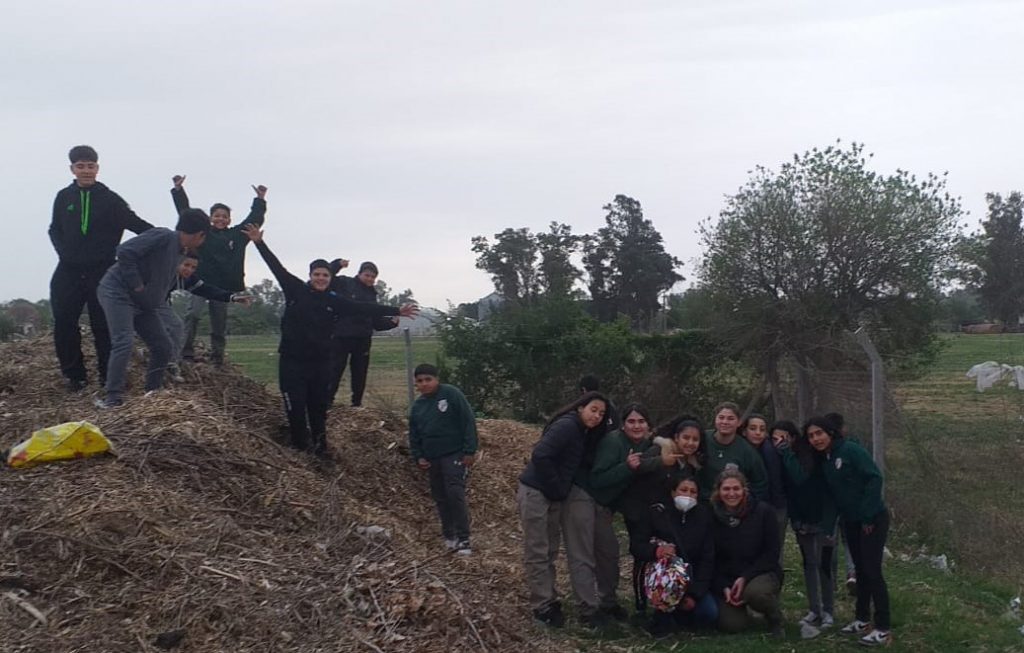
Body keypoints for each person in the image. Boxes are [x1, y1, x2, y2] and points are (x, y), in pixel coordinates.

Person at [242, 224, 416, 455]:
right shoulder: (295, 290)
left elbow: (364, 308)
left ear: (330, 278)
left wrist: (397, 310)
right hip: (293, 361)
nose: (321, 278)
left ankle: (321, 449)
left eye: (325, 275)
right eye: (317, 274)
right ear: (310, 275)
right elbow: (277, 268)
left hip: (320, 362)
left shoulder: (334, 300)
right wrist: (259, 242)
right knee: (296, 407)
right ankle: (301, 450)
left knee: (318, 408)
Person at [49, 145, 154, 391]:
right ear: (72, 169)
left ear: (98, 168)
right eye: (80, 166)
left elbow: (139, 226)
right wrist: (65, 253)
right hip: (68, 269)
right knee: (64, 322)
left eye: (90, 166)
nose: (86, 171)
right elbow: (54, 229)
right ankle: (75, 377)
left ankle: (109, 377)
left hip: (102, 271)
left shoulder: (111, 200)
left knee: (103, 325)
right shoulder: (64, 197)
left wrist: (167, 241)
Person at [95, 210, 210, 408]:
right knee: (124, 340)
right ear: (199, 234)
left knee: (163, 346)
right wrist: (136, 283)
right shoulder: (163, 236)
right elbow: (124, 251)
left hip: (144, 303)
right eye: (204, 236)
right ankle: (113, 397)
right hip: (117, 292)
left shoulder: (180, 252)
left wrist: (149, 297)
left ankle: (152, 393)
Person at [517, 391, 609, 629]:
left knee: (549, 549)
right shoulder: (567, 426)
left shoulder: (582, 432)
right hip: (536, 491)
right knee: (538, 550)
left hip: (551, 494)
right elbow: (540, 454)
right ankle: (542, 606)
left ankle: (549, 598)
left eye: (601, 413)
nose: (597, 416)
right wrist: (556, 486)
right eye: (593, 410)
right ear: (580, 408)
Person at [804, 416, 892, 647]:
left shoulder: (851, 450)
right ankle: (862, 619)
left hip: (872, 519)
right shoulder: (826, 459)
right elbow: (832, 497)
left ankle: (882, 628)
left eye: (819, 433)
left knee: (872, 571)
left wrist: (868, 514)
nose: (816, 439)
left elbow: (874, 478)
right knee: (861, 570)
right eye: (811, 436)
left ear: (830, 433)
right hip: (851, 522)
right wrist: (829, 526)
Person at [170, 175, 267, 366]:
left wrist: (260, 200)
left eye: (224, 216)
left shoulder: (237, 236)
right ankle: (186, 354)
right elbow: (186, 214)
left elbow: (254, 220)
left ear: (229, 219)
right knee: (192, 315)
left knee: (219, 323)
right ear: (210, 218)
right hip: (199, 283)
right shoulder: (203, 233)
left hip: (223, 286)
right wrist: (178, 191)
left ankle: (217, 358)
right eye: (217, 216)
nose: (220, 219)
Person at [589, 403, 667, 620]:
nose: (636, 425)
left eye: (641, 421)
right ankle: (604, 603)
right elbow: (598, 479)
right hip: (598, 501)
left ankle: (617, 601)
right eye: (631, 421)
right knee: (608, 552)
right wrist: (626, 467)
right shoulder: (613, 443)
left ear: (648, 426)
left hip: (622, 504)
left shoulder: (647, 444)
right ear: (623, 425)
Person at [629, 475, 717, 636]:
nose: (688, 495)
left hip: (692, 580)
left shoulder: (704, 517)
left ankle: (678, 613)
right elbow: (636, 546)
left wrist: (694, 595)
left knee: (708, 614)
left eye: (693, 492)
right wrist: (655, 551)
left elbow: (707, 559)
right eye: (683, 490)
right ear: (672, 492)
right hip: (661, 580)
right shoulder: (656, 513)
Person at [773, 419, 837, 633]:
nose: (779, 442)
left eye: (784, 438)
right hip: (801, 519)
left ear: (792, 437)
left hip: (821, 517)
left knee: (826, 563)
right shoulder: (779, 458)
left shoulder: (806, 455)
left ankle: (829, 610)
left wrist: (786, 454)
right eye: (775, 439)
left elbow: (801, 479)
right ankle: (814, 609)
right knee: (809, 563)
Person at [408, 364, 478, 555]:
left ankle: (464, 539)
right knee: (440, 496)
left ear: (436, 379)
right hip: (432, 457)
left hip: (454, 453)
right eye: (420, 381)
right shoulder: (418, 407)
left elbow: (467, 421)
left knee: (454, 492)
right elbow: (414, 434)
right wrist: (419, 455)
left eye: (428, 379)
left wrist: (469, 450)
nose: (424, 384)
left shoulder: (451, 394)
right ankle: (449, 536)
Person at [710, 469, 784, 636]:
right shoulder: (712, 516)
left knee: (757, 594)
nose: (731, 494)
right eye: (726, 489)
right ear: (718, 491)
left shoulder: (764, 512)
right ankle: (742, 611)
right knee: (732, 625)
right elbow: (711, 559)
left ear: (745, 490)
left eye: (736, 488)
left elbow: (772, 553)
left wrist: (745, 578)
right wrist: (723, 587)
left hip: (760, 572)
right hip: (727, 578)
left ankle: (774, 617)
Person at [158, 254, 253, 380]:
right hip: (134, 298)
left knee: (176, 326)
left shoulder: (188, 279)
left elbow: (206, 290)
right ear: (176, 262)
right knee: (130, 335)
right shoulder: (161, 271)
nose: (189, 270)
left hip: (158, 303)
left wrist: (232, 297)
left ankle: (170, 365)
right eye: (186, 265)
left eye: (193, 267)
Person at [327, 260, 399, 407]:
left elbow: (376, 322)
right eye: (367, 275)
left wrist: (391, 323)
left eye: (373, 277)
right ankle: (327, 402)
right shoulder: (345, 283)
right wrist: (338, 264)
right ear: (359, 274)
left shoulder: (372, 295)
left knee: (360, 373)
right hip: (341, 336)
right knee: (334, 370)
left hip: (363, 338)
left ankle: (356, 404)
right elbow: (328, 275)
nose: (370, 279)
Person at [697, 402, 768, 501]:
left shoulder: (748, 451)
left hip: (731, 506)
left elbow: (759, 484)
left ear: (739, 422)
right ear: (715, 419)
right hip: (701, 503)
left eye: (730, 418)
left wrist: (744, 505)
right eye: (721, 417)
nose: (725, 422)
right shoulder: (701, 439)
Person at [741, 413, 788, 560]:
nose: (757, 432)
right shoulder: (740, 450)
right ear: (744, 431)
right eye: (753, 428)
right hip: (748, 506)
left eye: (762, 429)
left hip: (775, 505)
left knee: (774, 549)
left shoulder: (772, 450)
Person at [825, 411, 858, 597]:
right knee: (847, 540)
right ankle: (852, 573)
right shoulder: (851, 446)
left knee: (832, 541)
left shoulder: (825, 450)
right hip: (844, 503)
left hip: (833, 504)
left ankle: (832, 580)